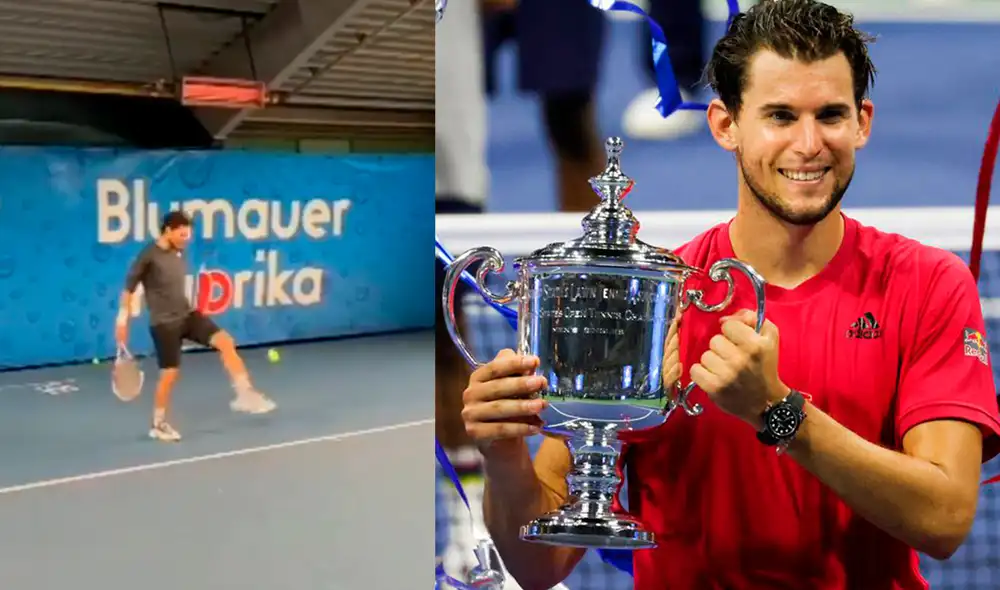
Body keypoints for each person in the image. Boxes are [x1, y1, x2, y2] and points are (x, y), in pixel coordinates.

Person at [459, 1, 1000, 589]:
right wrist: (503, 457)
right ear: (725, 125)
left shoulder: (927, 283)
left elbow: (945, 520)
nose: (809, 144)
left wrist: (779, 413)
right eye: (780, 116)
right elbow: (539, 567)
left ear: (862, 123)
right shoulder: (646, 303)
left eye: (830, 115)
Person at [115, 211, 276, 442]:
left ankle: (245, 394)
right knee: (169, 375)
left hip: (188, 315)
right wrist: (122, 320)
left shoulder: (178, 251)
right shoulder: (148, 256)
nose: (186, 240)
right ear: (168, 230)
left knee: (226, 342)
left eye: (188, 235)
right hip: (165, 324)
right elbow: (128, 289)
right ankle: (158, 424)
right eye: (182, 235)